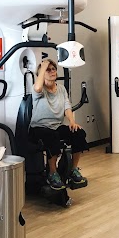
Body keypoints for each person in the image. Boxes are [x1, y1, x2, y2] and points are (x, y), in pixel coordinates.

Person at [29, 59, 88, 190]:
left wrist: (72, 122)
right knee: (52, 136)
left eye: (53, 69)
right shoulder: (39, 89)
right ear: (41, 74)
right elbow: (37, 87)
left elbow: (67, 106)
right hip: (39, 127)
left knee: (79, 133)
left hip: (56, 126)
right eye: (48, 70)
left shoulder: (61, 88)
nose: (52, 72)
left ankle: (73, 170)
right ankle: (53, 173)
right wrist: (43, 66)